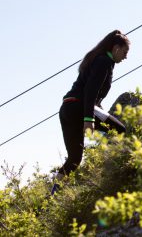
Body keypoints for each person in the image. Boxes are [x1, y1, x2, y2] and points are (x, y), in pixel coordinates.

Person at [51, 30, 130, 193]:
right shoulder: (104, 61)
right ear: (116, 48)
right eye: (125, 51)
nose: (125, 56)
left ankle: (54, 193)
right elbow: (90, 92)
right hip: (80, 107)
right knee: (120, 130)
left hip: (67, 108)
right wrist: (89, 119)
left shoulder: (96, 58)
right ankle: (114, 171)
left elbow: (90, 93)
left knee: (74, 159)